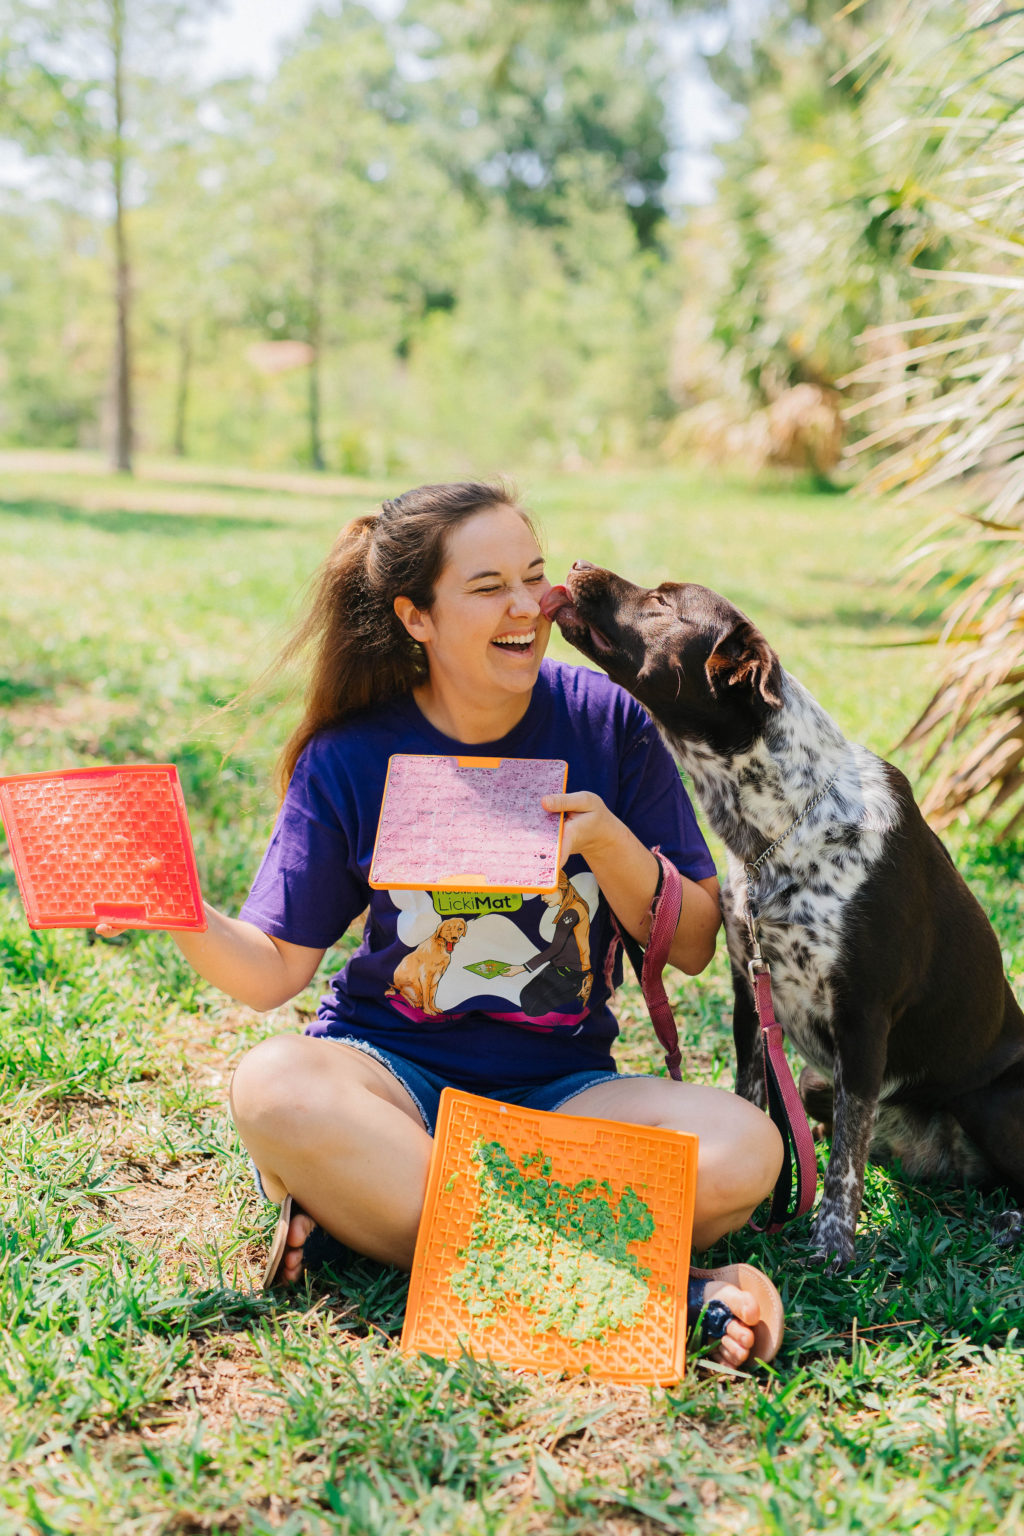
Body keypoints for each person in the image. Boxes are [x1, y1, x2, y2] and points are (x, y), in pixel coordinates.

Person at [105, 482, 785, 1369]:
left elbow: (692, 945)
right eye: (486, 585)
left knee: (744, 1148)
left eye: (533, 578)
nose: (525, 607)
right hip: (392, 1077)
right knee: (274, 1086)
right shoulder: (352, 754)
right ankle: (657, 1292)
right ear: (415, 617)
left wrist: (611, 843)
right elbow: (273, 971)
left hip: (562, 1093)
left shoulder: (606, 722)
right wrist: (178, 908)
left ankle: (372, 1210)